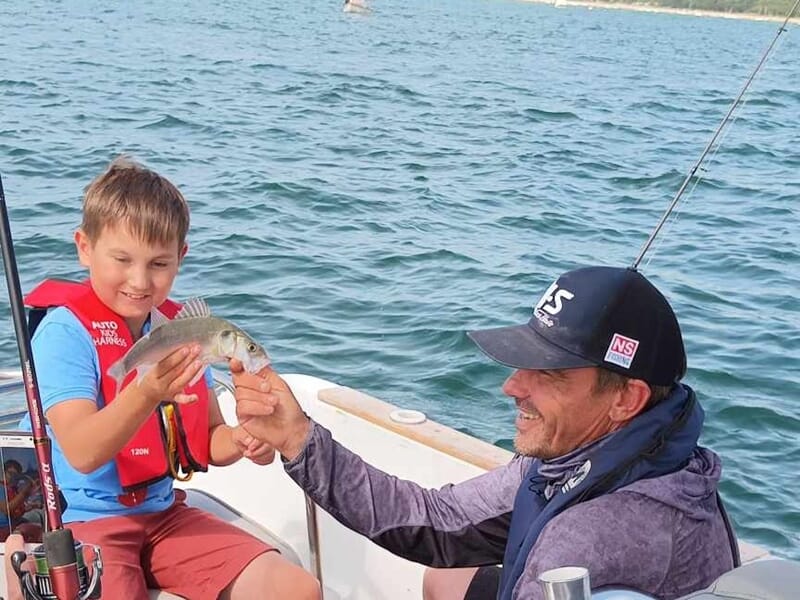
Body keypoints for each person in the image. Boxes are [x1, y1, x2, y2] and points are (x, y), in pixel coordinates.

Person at [232, 265, 739, 600]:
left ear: (626, 399)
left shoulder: (588, 536)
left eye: (549, 374)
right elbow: (437, 521)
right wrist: (299, 438)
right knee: (443, 579)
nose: (511, 387)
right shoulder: (596, 454)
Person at [15, 157, 321, 600]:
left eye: (159, 264)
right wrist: (149, 391)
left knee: (296, 589)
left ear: (181, 257)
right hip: (81, 521)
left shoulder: (178, 329)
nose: (140, 281)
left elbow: (209, 439)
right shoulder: (64, 333)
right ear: (84, 247)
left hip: (164, 515)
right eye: (122, 259)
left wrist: (243, 440)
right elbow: (82, 452)